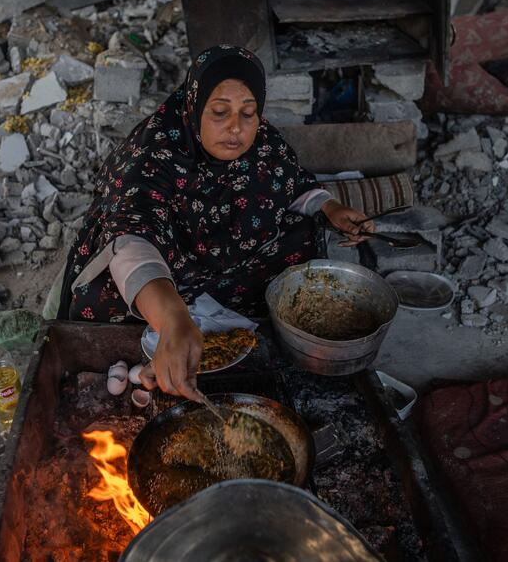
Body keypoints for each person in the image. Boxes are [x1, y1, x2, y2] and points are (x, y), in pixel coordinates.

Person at [58, 45, 374, 400]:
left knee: (302, 235)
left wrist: (329, 207)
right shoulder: (153, 151)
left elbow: (290, 182)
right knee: (99, 298)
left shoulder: (263, 142)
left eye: (248, 113)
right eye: (220, 112)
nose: (236, 128)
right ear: (194, 106)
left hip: (225, 257)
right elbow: (133, 235)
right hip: (165, 263)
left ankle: (202, 313)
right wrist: (172, 320)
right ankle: (180, 319)